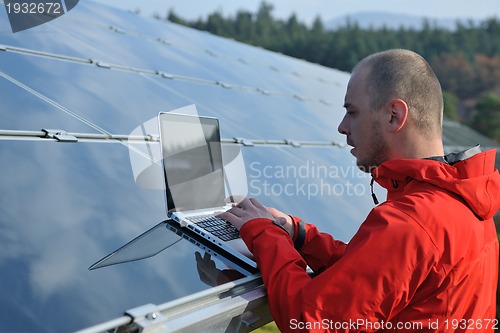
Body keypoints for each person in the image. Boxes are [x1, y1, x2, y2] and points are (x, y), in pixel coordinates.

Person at [218, 49, 500, 332]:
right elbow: (375, 281)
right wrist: (300, 235)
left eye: (352, 112)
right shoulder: (466, 206)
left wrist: (264, 234)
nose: (342, 127)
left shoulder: (411, 222)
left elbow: (310, 321)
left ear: (394, 116)